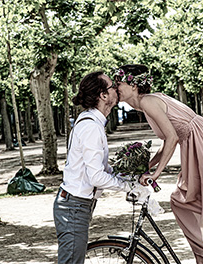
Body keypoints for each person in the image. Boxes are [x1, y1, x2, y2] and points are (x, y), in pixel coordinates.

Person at [114, 64, 203, 264]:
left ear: (134, 85)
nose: (115, 87)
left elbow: (172, 138)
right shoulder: (145, 103)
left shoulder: (148, 101)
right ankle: (202, 260)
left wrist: (156, 173)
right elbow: (167, 140)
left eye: (118, 83)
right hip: (198, 150)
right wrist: (145, 165)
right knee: (183, 202)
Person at [53, 71, 132, 264]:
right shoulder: (91, 127)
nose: (117, 88)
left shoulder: (92, 122)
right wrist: (127, 186)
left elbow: (100, 169)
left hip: (78, 204)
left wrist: (127, 178)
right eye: (113, 86)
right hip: (74, 207)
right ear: (103, 95)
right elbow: (96, 177)